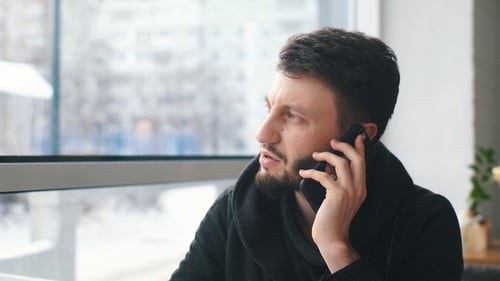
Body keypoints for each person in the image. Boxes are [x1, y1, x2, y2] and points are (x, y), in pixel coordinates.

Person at [170, 27, 463, 281]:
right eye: (269, 108)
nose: (262, 134)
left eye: (293, 117)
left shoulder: (426, 223)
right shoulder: (234, 212)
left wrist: (337, 249)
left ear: (359, 137)